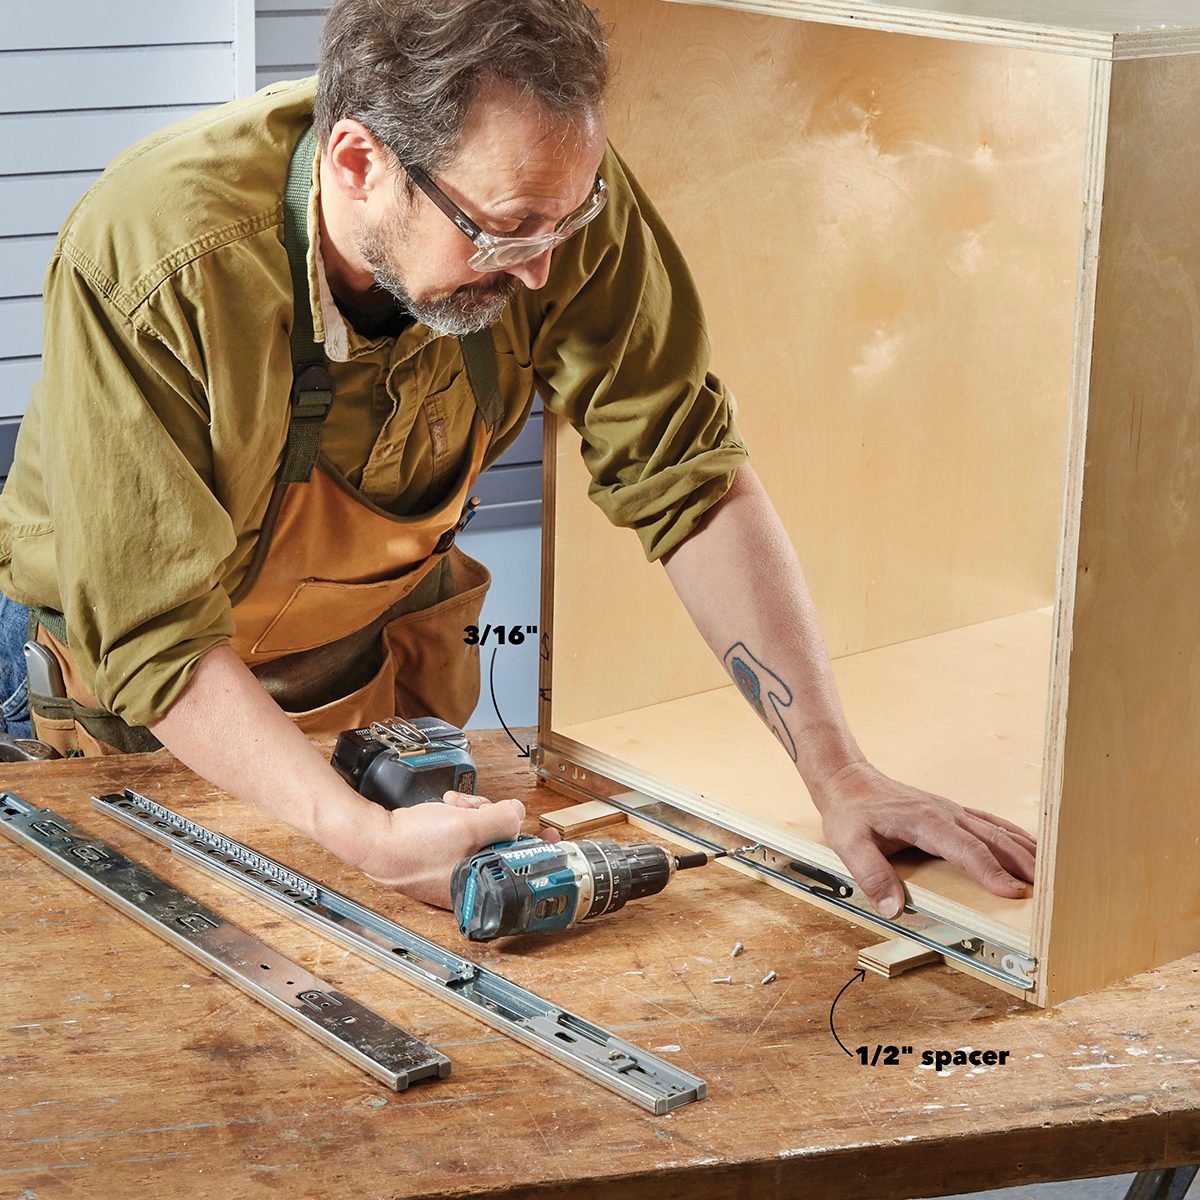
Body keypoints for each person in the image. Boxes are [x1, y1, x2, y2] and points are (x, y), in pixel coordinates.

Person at [0, 0, 1035, 916]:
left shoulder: (545, 194)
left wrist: (838, 771)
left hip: (364, 689)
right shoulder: (154, 259)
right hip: (124, 712)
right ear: (359, 165)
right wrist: (359, 836)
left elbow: (684, 472)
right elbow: (157, 637)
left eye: (564, 223)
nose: (543, 271)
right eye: (505, 235)